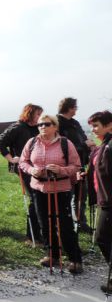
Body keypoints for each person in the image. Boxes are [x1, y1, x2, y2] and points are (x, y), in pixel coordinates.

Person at [19, 113, 83, 274]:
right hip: (39, 188)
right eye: (40, 125)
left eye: (46, 124)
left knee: (64, 225)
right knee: (44, 223)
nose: (42, 127)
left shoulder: (65, 143)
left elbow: (76, 165)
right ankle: (52, 255)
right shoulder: (32, 142)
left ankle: (75, 259)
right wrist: (32, 170)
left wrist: (61, 170)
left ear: (55, 126)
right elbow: (23, 162)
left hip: (60, 189)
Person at [0, 103, 43, 246]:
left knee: (39, 197)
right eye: (37, 114)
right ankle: (32, 237)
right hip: (24, 167)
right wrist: (11, 159)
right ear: (29, 114)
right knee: (34, 198)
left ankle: (41, 233)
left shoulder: (37, 128)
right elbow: (0, 142)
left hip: (37, 167)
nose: (39, 118)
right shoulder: (18, 127)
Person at [82, 111, 112, 291]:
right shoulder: (104, 146)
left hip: (110, 202)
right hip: (105, 200)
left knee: (102, 238)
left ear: (109, 125)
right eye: (91, 125)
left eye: (96, 125)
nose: (92, 129)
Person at [57, 97, 96, 232]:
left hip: (80, 164)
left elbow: (83, 138)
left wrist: (89, 144)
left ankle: (80, 222)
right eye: (75, 107)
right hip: (66, 166)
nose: (76, 109)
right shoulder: (57, 123)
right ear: (69, 107)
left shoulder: (75, 123)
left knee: (81, 195)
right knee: (67, 195)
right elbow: (62, 145)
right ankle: (66, 223)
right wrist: (83, 145)